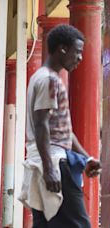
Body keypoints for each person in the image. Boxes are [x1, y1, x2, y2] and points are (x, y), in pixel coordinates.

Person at [18, 24, 102, 228]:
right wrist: (49, 169)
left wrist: (86, 158)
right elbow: (41, 125)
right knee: (79, 224)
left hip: (43, 162)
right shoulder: (49, 80)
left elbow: (62, 130)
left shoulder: (39, 78)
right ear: (63, 49)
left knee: (47, 224)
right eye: (78, 52)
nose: (80, 58)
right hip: (55, 164)